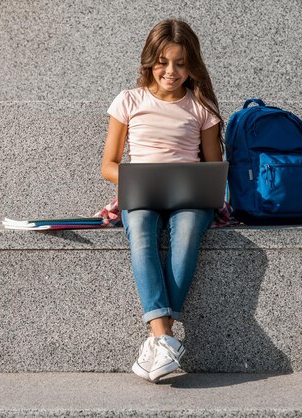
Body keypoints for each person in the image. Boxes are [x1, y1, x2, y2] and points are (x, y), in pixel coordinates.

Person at [100, 19, 224, 382]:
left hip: (191, 197)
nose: (171, 72)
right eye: (163, 62)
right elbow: (108, 164)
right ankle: (164, 339)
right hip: (141, 191)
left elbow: (214, 168)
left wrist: (201, 184)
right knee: (139, 229)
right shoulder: (129, 101)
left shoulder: (201, 108)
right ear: (149, 61)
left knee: (186, 234)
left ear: (193, 65)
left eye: (181, 63)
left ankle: (159, 341)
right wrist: (140, 178)